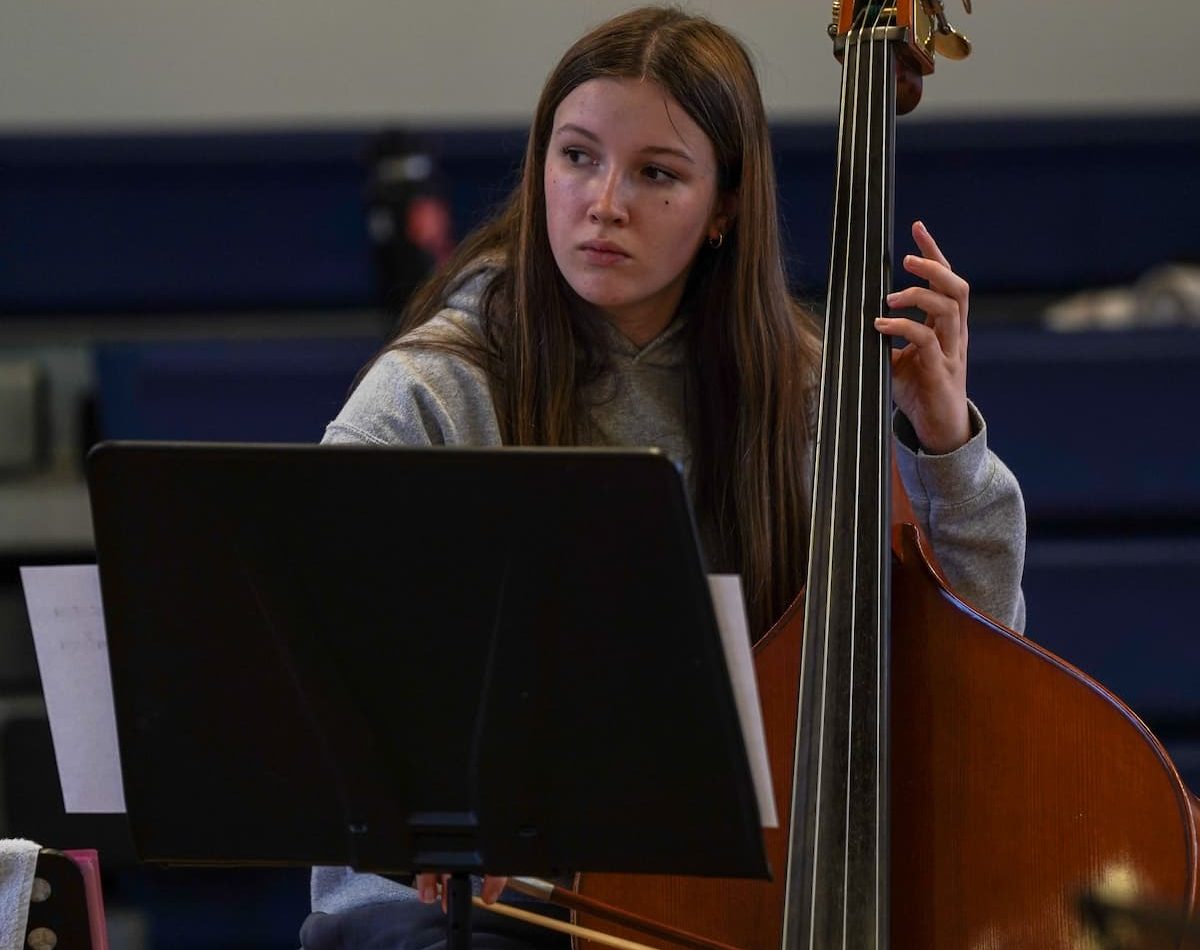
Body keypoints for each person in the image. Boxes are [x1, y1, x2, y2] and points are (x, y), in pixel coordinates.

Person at [300, 6, 1026, 948]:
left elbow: (977, 663)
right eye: (576, 156)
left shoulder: (809, 393)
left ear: (724, 205)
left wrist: (945, 442)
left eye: (656, 173)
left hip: (722, 901)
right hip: (453, 915)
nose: (605, 202)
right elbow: (313, 640)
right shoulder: (437, 387)